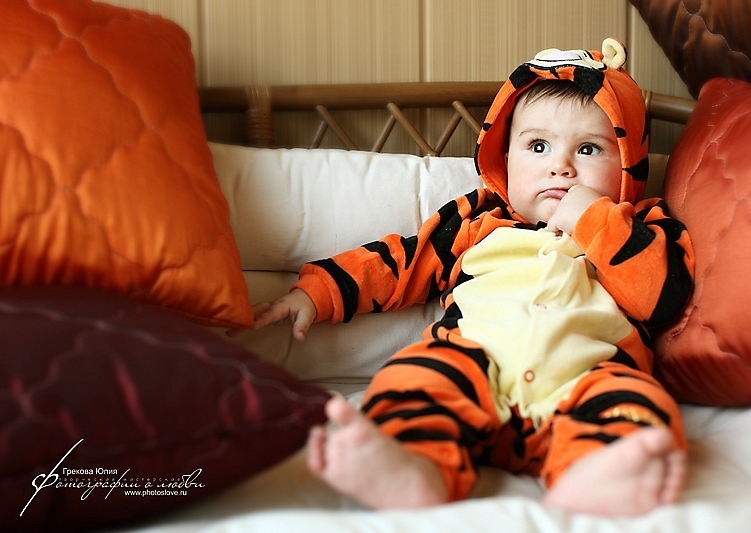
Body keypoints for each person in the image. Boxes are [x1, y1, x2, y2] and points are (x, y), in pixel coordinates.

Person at [238, 39, 695, 516]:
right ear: (505, 159)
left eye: (588, 149)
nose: (560, 167)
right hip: (472, 364)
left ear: (628, 163)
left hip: (588, 372)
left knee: (635, 406)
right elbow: (399, 262)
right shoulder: (478, 221)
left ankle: (594, 472)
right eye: (538, 146)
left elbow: (662, 296)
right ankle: (415, 467)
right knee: (414, 379)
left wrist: (593, 220)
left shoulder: (642, 226)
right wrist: (315, 293)